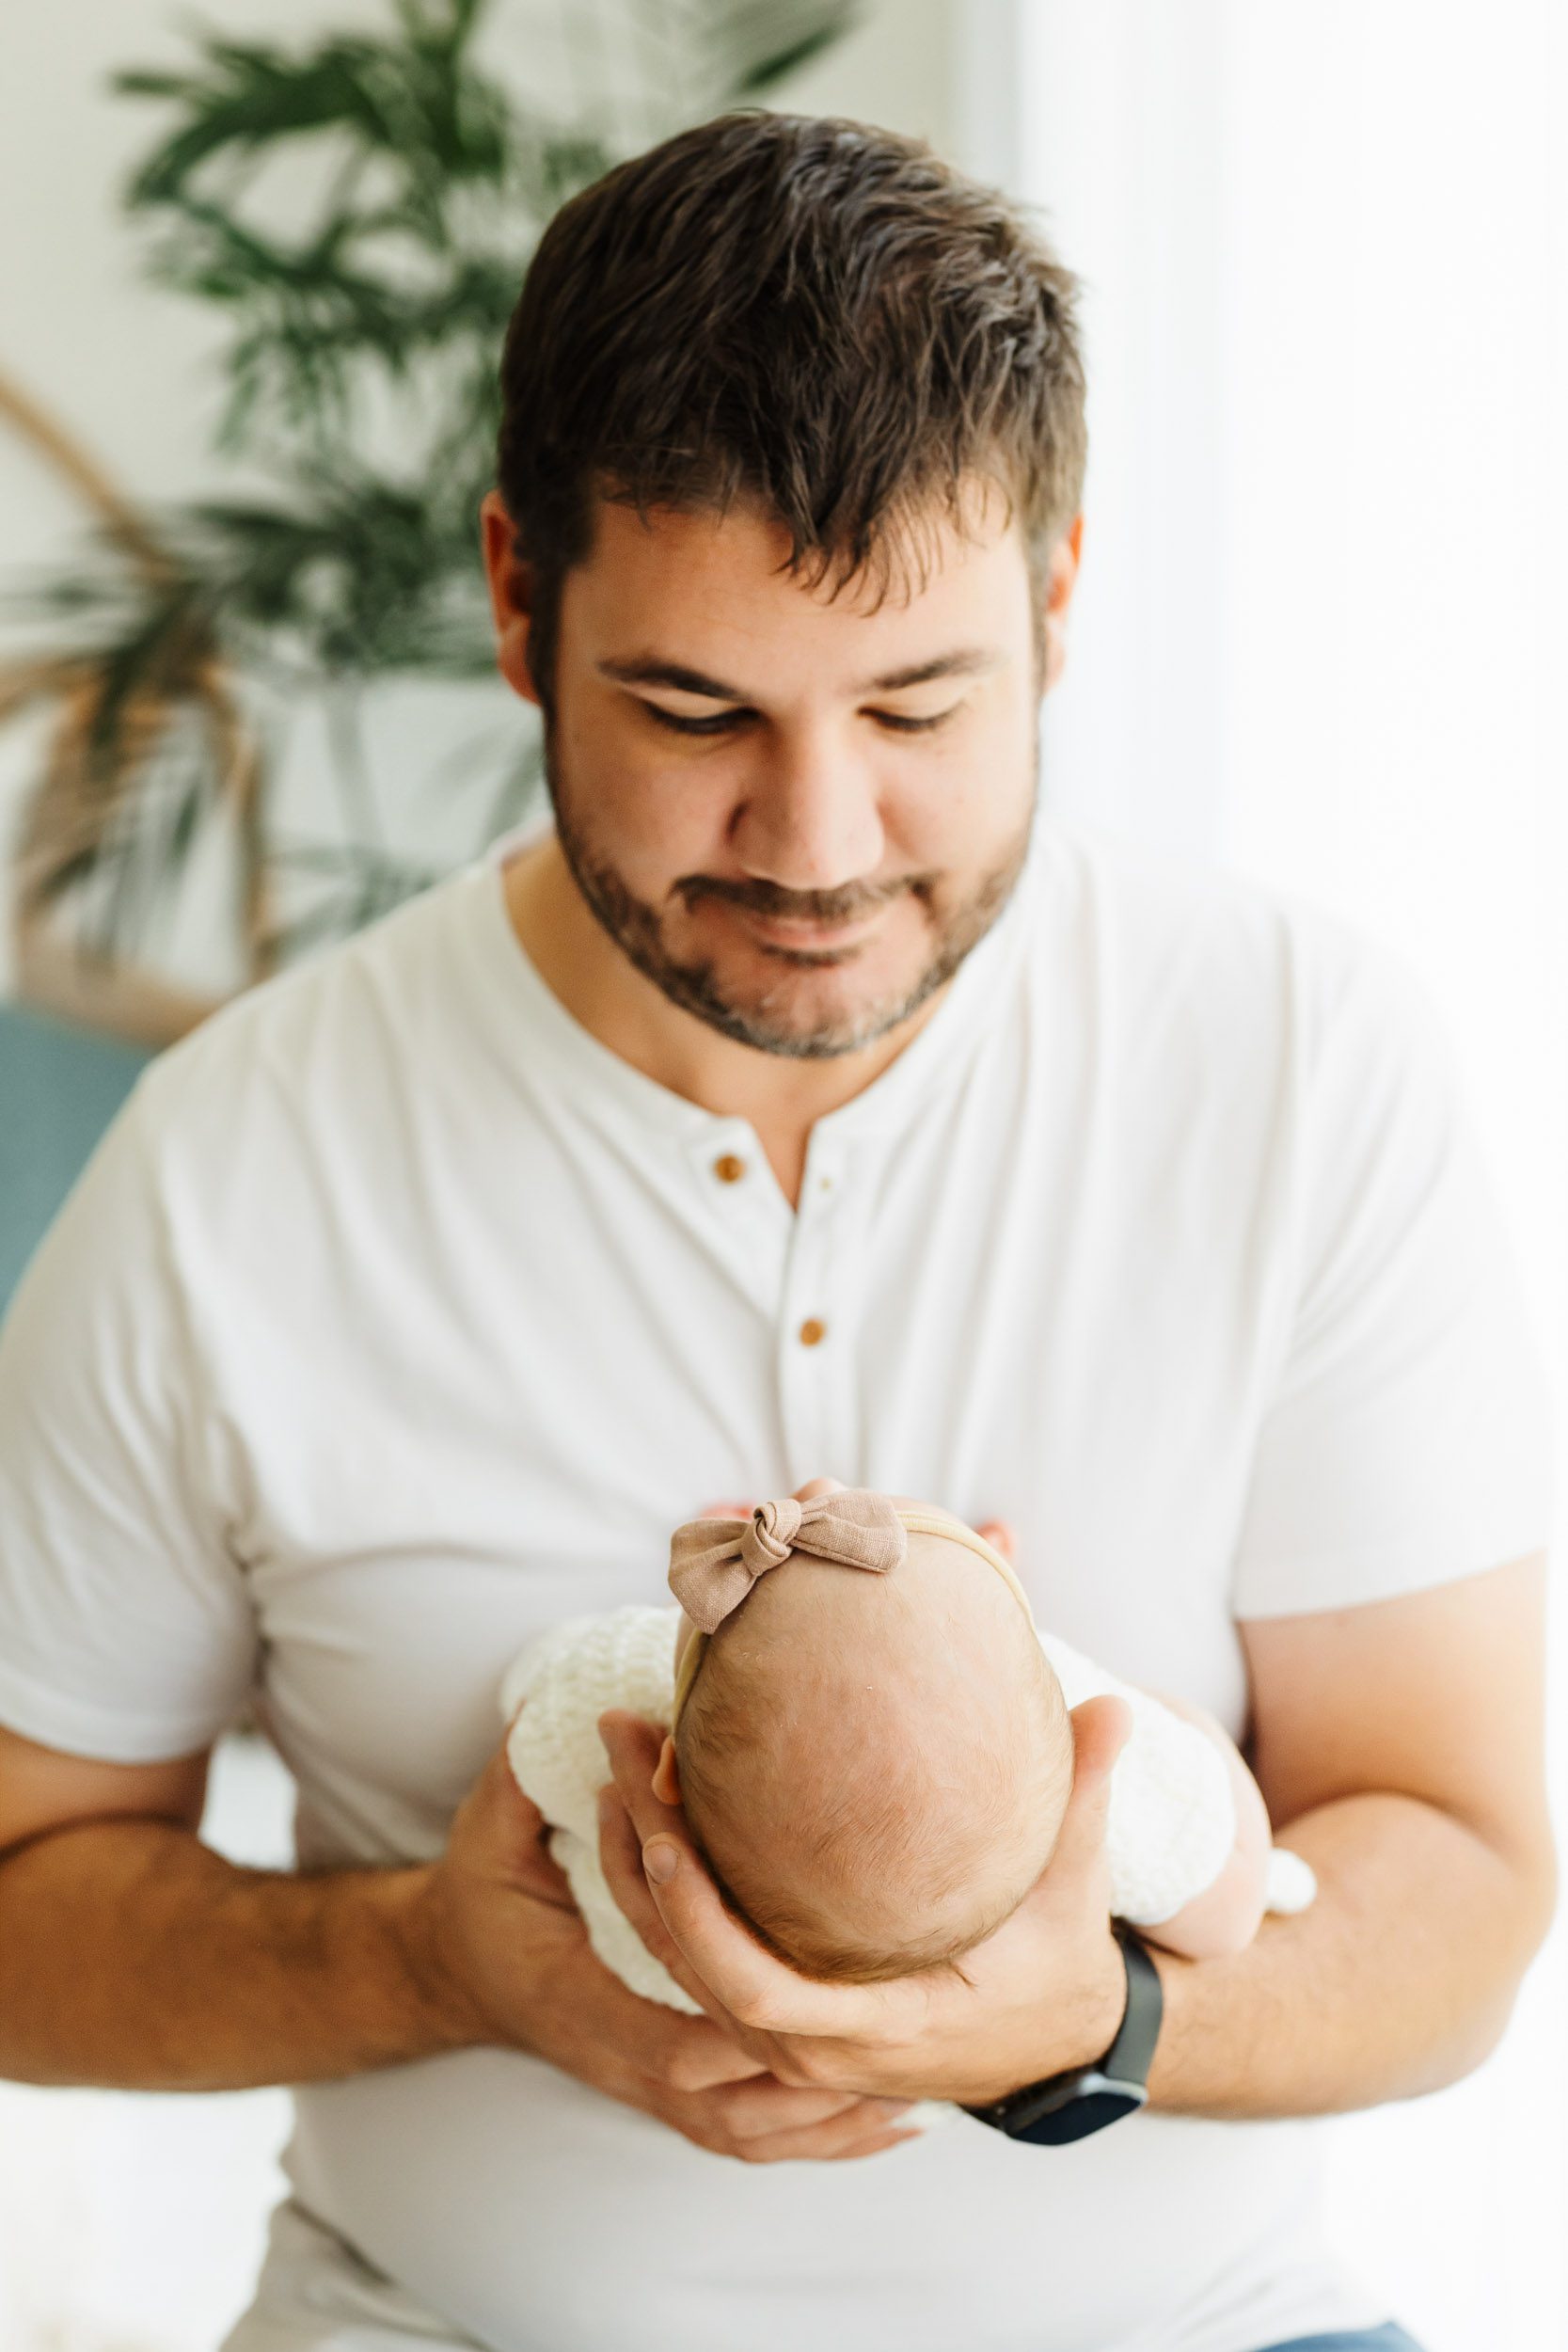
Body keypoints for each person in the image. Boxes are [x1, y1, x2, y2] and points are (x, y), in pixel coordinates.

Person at [0, 111, 1553, 2352]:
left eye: (919, 706)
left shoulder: (1299, 1061)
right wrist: (432, 1965)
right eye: (695, 710)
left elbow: (1464, 1878)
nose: (817, 843)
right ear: (522, 599)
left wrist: (1091, 2021)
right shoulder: (243, 1164)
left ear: (1058, 597)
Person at [501, 1484, 1319, 2030]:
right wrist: (1180, 1724)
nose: (815, 1492)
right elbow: (1227, 1911)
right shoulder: (1114, 1793)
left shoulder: (619, 1695)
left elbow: (537, 1691)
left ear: (666, 1770)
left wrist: (704, 1619)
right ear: (1070, 1759)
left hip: (674, 2012)